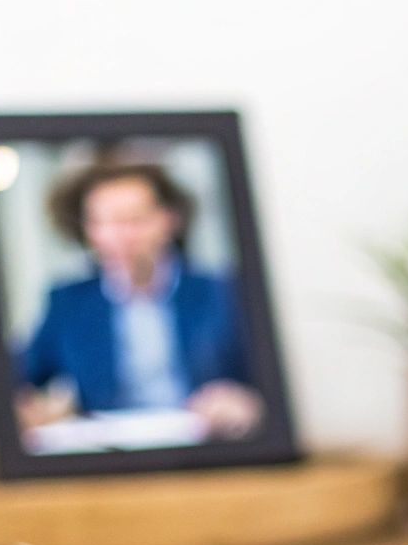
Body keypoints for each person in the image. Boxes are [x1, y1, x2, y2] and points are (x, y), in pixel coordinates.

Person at [15, 160, 263, 440]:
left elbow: (269, 385)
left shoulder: (222, 292)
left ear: (169, 219)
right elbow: (17, 377)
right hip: (109, 459)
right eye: (102, 222)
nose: (118, 236)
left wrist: (246, 402)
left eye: (134, 220)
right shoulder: (68, 304)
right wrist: (28, 410)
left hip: (208, 449)